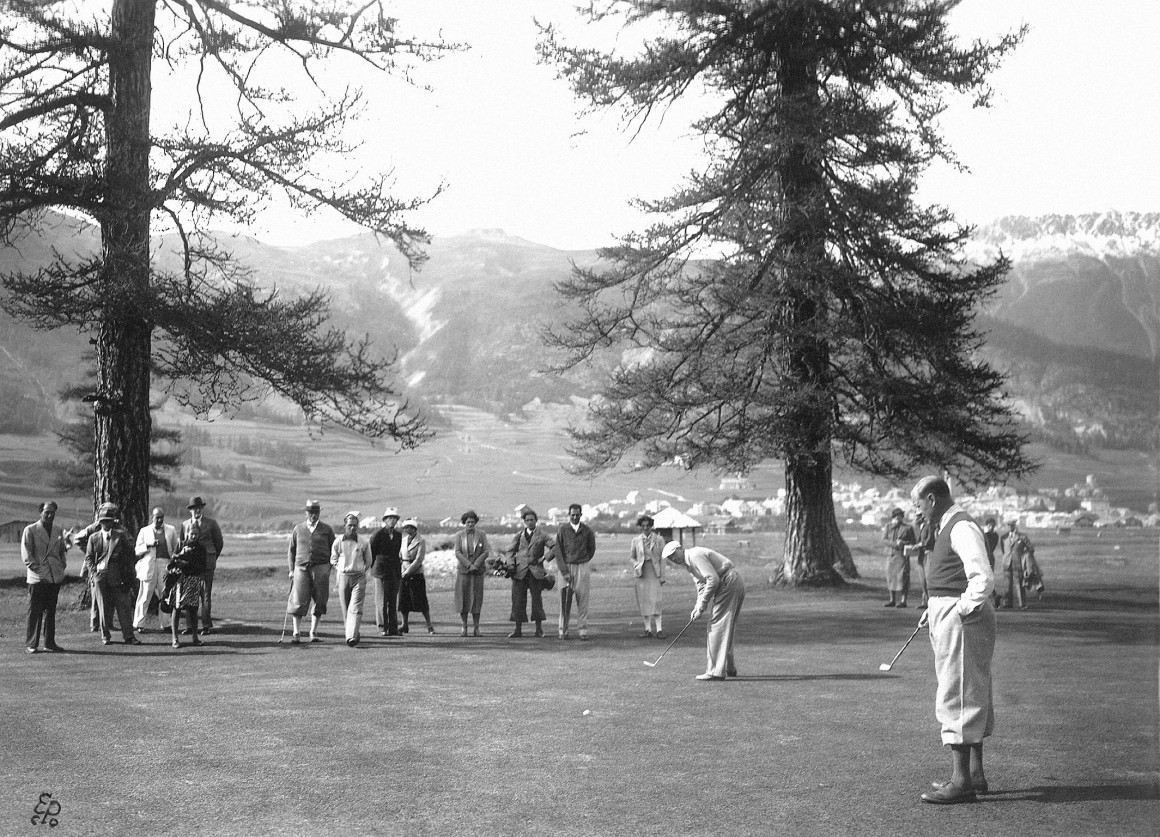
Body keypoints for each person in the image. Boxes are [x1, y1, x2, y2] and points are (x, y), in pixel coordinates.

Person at [911, 475, 996, 805]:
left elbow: (982, 576)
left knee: (957, 692)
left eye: (918, 505)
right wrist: (934, 608)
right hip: (950, 612)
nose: (917, 512)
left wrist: (957, 609)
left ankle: (961, 782)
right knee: (971, 689)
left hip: (962, 617)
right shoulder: (948, 524)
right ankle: (975, 774)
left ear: (932, 499)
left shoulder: (960, 526)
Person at [661, 541, 745, 681]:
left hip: (729, 581)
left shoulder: (694, 555)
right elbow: (701, 586)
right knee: (725, 627)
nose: (673, 559)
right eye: (670, 558)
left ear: (680, 549)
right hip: (734, 581)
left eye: (673, 554)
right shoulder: (689, 565)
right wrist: (697, 608)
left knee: (716, 626)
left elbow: (713, 579)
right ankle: (729, 667)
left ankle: (715, 672)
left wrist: (703, 604)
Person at [84, 502, 143, 646]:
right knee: (102, 607)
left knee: (124, 606)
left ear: (113, 522)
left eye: (109, 521)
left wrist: (128, 576)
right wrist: (94, 572)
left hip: (118, 577)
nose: (106, 524)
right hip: (100, 577)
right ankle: (105, 636)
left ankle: (129, 636)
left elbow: (129, 556)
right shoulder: (94, 538)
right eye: (104, 521)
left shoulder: (120, 536)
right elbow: (89, 557)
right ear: (100, 522)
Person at [22, 501, 70, 653]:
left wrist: (62, 566)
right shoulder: (30, 530)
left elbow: (62, 551)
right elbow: (27, 556)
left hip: (54, 577)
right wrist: (41, 572)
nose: (50, 515)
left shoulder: (58, 530)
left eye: (53, 513)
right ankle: (32, 644)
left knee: (51, 611)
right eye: (47, 512)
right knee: (35, 610)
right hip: (38, 578)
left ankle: (49, 642)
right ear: (40, 512)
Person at [287, 499, 336, 643]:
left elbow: (334, 549)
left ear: (319, 513)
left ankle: (313, 632)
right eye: (311, 512)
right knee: (298, 599)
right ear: (306, 513)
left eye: (316, 512)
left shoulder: (327, 529)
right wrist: (291, 570)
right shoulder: (298, 528)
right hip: (301, 568)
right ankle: (296, 633)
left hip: (321, 568)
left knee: (320, 600)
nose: (313, 515)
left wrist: (329, 566)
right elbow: (291, 550)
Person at [504, 507, 552, 638]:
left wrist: (544, 558)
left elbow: (555, 547)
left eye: (532, 520)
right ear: (524, 522)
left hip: (536, 572)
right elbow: (509, 551)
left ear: (536, 521)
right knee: (518, 601)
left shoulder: (542, 535)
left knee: (537, 601)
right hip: (519, 573)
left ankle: (539, 630)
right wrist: (511, 565)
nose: (530, 522)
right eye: (527, 520)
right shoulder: (519, 536)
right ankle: (517, 630)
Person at [133, 507, 180, 634]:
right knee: (145, 594)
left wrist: (174, 560)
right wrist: (148, 545)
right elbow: (137, 550)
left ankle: (166, 624)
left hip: (164, 564)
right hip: (149, 564)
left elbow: (176, 547)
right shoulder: (145, 531)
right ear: (152, 517)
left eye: (161, 517)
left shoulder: (170, 530)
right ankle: (139, 624)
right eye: (156, 517)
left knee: (164, 595)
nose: (159, 520)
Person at [182, 497, 223, 634]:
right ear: (190, 511)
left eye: (199, 507)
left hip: (207, 565)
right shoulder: (185, 525)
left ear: (202, 509)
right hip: (191, 566)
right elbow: (183, 543)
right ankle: (189, 626)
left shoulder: (211, 523)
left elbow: (219, 543)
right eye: (194, 508)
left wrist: (211, 558)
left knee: (205, 595)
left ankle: (206, 626)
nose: (197, 510)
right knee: (189, 594)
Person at [555, 503, 596, 641]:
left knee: (583, 600)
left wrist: (582, 560)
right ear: (569, 515)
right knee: (564, 601)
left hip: (582, 567)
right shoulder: (562, 530)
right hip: (565, 567)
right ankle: (563, 630)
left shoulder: (587, 531)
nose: (574, 517)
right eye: (572, 514)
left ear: (581, 515)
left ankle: (583, 630)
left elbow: (592, 550)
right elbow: (558, 552)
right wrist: (565, 571)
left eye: (577, 514)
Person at [330, 511, 371, 647]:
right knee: (346, 608)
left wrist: (362, 571)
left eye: (355, 525)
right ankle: (353, 633)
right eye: (350, 525)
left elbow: (369, 560)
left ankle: (351, 637)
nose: (352, 528)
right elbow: (333, 558)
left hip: (359, 576)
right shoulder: (338, 541)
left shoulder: (364, 542)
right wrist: (340, 568)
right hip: (343, 577)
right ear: (345, 526)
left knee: (356, 608)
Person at [164, 523, 207, 648]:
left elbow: (202, 567)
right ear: (187, 533)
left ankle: (195, 637)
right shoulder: (181, 545)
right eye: (191, 533)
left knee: (193, 609)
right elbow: (172, 561)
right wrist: (178, 559)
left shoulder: (201, 548)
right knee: (176, 608)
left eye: (196, 534)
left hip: (193, 579)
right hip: (180, 580)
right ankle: (175, 638)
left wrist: (186, 564)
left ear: (199, 535)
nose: (193, 536)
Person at [453, 510, 490, 637]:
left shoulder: (481, 534)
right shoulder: (459, 535)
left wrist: (476, 565)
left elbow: (485, 551)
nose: (470, 524)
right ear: (464, 523)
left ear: (475, 522)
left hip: (477, 572)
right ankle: (464, 627)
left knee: (476, 599)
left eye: (472, 522)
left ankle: (476, 627)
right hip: (463, 572)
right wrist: (469, 565)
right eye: (468, 522)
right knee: (462, 598)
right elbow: (457, 552)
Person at [629, 513, 665, 637]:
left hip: (655, 573)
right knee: (644, 601)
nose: (645, 528)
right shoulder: (635, 540)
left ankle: (659, 630)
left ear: (651, 526)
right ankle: (647, 629)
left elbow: (663, 559)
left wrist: (662, 576)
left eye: (648, 526)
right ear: (640, 527)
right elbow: (632, 557)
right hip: (641, 574)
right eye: (643, 526)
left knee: (656, 601)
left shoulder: (659, 540)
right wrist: (636, 565)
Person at [369, 507, 403, 637]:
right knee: (381, 601)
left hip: (394, 571)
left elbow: (396, 553)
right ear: (385, 520)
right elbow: (371, 553)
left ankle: (393, 628)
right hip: (380, 571)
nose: (392, 521)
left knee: (392, 600)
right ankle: (382, 627)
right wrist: (372, 569)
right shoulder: (377, 535)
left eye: (394, 519)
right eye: (390, 518)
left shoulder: (399, 535)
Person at [398, 518, 435, 635]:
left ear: (413, 529)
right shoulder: (403, 540)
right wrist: (402, 570)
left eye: (408, 527)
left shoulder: (421, 541)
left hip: (416, 573)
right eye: (405, 527)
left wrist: (408, 571)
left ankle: (429, 625)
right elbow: (400, 555)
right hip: (403, 572)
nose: (405, 529)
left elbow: (419, 559)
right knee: (403, 600)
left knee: (421, 600)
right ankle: (404, 624)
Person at [882, 507, 916, 607]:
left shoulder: (908, 528)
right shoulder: (888, 526)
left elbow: (913, 542)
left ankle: (903, 601)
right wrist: (894, 544)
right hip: (891, 556)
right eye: (896, 516)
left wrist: (903, 543)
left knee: (903, 578)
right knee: (891, 577)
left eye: (900, 516)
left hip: (902, 556)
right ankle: (892, 600)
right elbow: (884, 540)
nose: (898, 518)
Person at [1000, 520, 1031, 610]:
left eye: (1011, 525)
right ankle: (1007, 604)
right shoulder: (1003, 537)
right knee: (1007, 585)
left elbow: (1030, 548)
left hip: (1018, 563)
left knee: (1019, 584)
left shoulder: (1022, 537)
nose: (1010, 527)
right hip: (1007, 563)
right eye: (1008, 525)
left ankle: (1022, 604)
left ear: (1015, 525)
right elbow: (1004, 550)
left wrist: (1024, 557)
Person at [906, 512, 934, 607]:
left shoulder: (929, 525)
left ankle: (929, 602)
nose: (914, 518)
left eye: (916, 516)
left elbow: (929, 540)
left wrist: (919, 545)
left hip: (928, 553)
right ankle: (925, 601)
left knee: (928, 578)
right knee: (922, 580)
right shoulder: (918, 528)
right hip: (921, 555)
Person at [982, 518, 1002, 608]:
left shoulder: (992, 535)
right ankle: (994, 596)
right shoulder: (991, 535)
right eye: (990, 525)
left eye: (992, 525)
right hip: (988, 558)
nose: (991, 527)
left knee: (985, 579)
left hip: (987, 558)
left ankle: (993, 596)